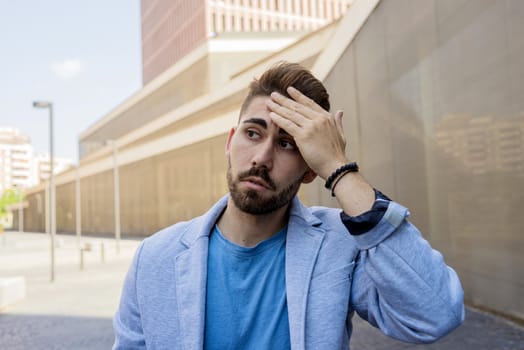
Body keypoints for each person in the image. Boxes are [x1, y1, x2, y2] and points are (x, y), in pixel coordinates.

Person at [113, 62, 464, 349]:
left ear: (311, 168)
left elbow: (435, 314)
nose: (262, 158)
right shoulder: (155, 257)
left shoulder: (341, 245)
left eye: (286, 144)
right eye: (253, 133)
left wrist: (339, 169)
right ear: (231, 142)